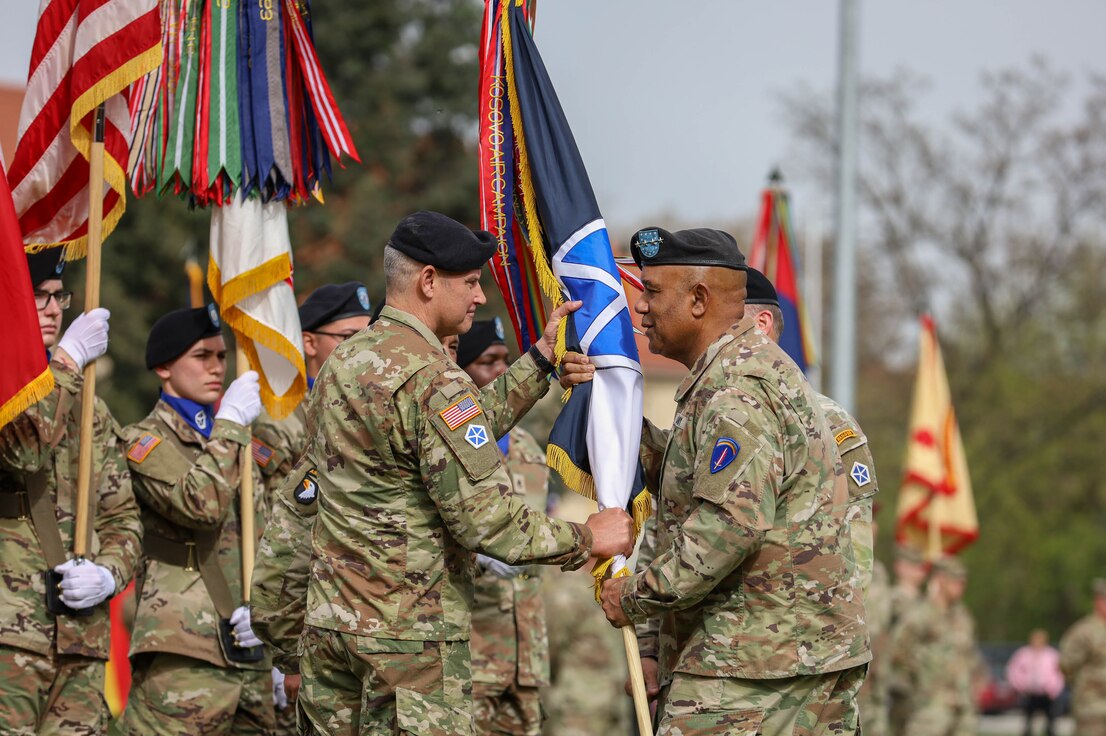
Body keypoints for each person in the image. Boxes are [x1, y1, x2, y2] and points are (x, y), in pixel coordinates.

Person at [296, 211, 634, 735]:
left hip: (331, 629)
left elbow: (442, 436)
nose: (479, 297)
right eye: (471, 283)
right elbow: (488, 522)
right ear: (429, 281)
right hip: (408, 641)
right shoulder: (434, 380)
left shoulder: (345, 362)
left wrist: (540, 361)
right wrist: (589, 536)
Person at [590, 226, 870, 734]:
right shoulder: (733, 377)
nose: (640, 308)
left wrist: (635, 596)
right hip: (777, 660)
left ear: (698, 299)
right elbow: (687, 477)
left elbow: (729, 526)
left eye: (651, 291)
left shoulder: (737, 391)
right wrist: (600, 405)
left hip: (754, 668)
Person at [0, 249, 142, 735]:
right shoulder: (8, 392)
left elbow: (123, 517)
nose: (54, 309)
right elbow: (24, 453)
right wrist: (66, 361)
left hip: (81, 639)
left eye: (60, 297)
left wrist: (109, 573)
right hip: (9, 635)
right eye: (38, 296)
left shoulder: (89, 410)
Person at [117, 305, 274, 735]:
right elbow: (199, 504)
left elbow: (269, 534)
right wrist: (228, 425)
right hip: (184, 645)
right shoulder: (143, 440)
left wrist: (276, 621)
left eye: (221, 357)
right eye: (201, 356)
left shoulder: (240, 440)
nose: (216, 368)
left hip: (254, 646)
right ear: (164, 367)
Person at [250, 282, 374, 733]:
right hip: (302, 615)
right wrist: (288, 649)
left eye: (368, 334)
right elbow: (278, 529)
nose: (361, 347)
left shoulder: (366, 407)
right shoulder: (281, 418)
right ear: (309, 342)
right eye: (346, 337)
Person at [457, 317, 553, 735]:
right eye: (486, 362)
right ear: (461, 373)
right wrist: (478, 555)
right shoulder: (450, 444)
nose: (500, 371)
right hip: (472, 654)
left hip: (525, 654)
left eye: (505, 361)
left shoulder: (529, 447)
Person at [889, 555, 984, 736]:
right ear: (940, 579)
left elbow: (971, 655)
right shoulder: (921, 615)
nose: (960, 586)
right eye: (955, 581)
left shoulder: (963, 617)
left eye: (963, 582)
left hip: (963, 705)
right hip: (929, 706)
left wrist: (976, 686)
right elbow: (898, 652)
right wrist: (914, 688)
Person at [888, 543, 929, 732]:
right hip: (901, 680)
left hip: (923, 680)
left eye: (920, 566)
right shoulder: (893, 600)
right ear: (900, 567)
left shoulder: (924, 601)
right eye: (913, 565)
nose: (919, 571)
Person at [1059, 578, 1106, 736]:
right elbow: (1066, 665)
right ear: (1099, 601)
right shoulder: (1084, 631)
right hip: (1093, 711)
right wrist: (1088, 684)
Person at [1007, 629, 1063, 736]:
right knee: (1028, 721)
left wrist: (1053, 688)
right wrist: (1021, 685)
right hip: (1029, 692)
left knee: (1051, 721)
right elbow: (1013, 670)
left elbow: (1059, 673)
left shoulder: (1051, 655)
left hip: (1047, 693)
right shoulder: (1023, 654)